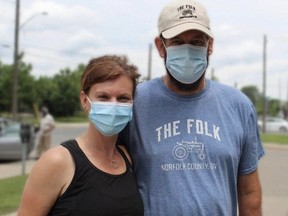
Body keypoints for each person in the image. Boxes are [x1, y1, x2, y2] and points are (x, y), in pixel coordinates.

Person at [118, 0, 265, 215]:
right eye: (177, 42)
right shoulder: (135, 101)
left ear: (210, 45)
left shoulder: (238, 106)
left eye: (197, 42)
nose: (188, 51)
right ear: (161, 46)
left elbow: (249, 191)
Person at [18, 55, 144, 216]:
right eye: (103, 97)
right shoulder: (57, 162)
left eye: (123, 98)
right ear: (85, 100)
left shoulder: (127, 158)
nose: (113, 105)